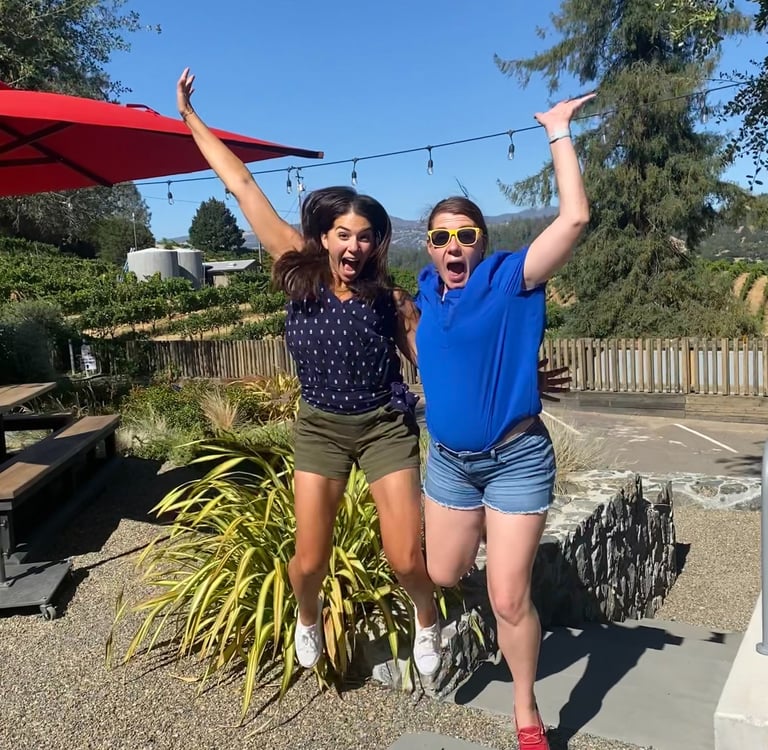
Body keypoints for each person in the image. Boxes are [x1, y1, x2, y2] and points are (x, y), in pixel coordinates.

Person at [176, 67, 570, 682]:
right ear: (323, 236)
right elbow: (243, 185)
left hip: (385, 427)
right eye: (342, 234)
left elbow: (442, 361)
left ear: (375, 243)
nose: (353, 246)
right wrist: (192, 121)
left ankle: (426, 619)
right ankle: (307, 616)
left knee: (405, 556)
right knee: (307, 561)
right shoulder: (295, 267)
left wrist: (517, 380)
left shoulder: (389, 301)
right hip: (321, 429)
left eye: (364, 236)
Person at [408, 94, 595, 749]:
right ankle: (428, 617)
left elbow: (574, 218)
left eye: (465, 234)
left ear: (481, 241)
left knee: (508, 596)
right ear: (428, 248)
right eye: (441, 236)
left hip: (516, 458)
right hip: (451, 464)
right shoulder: (424, 297)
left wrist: (559, 133)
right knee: (440, 574)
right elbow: (435, 357)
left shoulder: (508, 279)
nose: (453, 244)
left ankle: (526, 711)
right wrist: (518, 376)